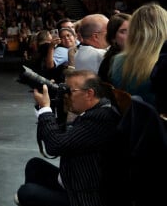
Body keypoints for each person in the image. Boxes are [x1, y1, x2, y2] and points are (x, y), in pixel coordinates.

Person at [15, 69, 124, 206]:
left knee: (27, 193)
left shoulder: (102, 118)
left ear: (89, 94)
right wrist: (52, 106)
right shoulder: (95, 110)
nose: (66, 95)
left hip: (85, 197)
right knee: (35, 166)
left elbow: (55, 145)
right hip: (73, 181)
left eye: (70, 91)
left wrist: (45, 109)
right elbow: (62, 134)